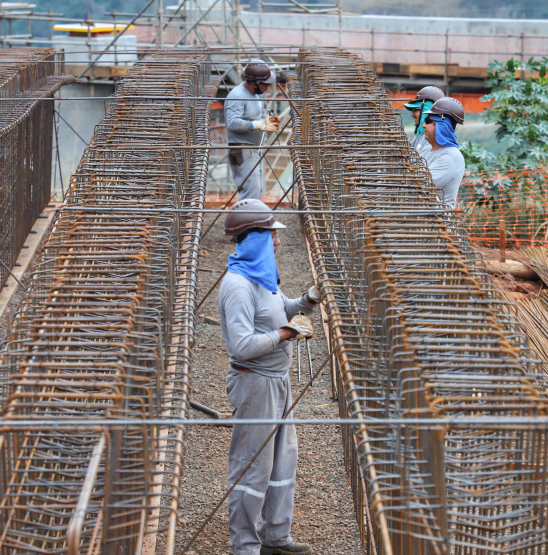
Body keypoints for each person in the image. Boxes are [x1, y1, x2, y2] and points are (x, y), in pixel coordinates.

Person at [218, 198, 321, 555]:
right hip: (255, 383)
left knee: (282, 459)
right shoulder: (238, 286)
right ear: (255, 239)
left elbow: (284, 309)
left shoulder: (261, 276)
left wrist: (309, 299)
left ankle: (275, 536)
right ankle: (245, 546)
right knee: (253, 467)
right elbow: (243, 345)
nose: (277, 241)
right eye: (272, 235)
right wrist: (287, 333)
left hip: (277, 379)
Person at [224, 60, 279, 201]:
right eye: (266, 84)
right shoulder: (237, 96)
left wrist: (268, 122)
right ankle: (246, 216)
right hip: (241, 150)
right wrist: (256, 125)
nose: (268, 87)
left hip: (253, 150)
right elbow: (232, 122)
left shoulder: (257, 94)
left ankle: (251, 215)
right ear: (255, 83)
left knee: (256, 190)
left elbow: (259, 115)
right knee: (250, 193)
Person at [422, 97, 466, 209]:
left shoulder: (450, 157)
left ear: (442, 125)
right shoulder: (427, 151)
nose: (423, 125)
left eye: (428, 121)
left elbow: (419, 186)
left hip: (436, 219)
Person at [403, 85, 444, 157]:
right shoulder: (420, 136)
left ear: (426, 109)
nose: (412, 114)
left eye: (415, 110)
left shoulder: (432, 139)